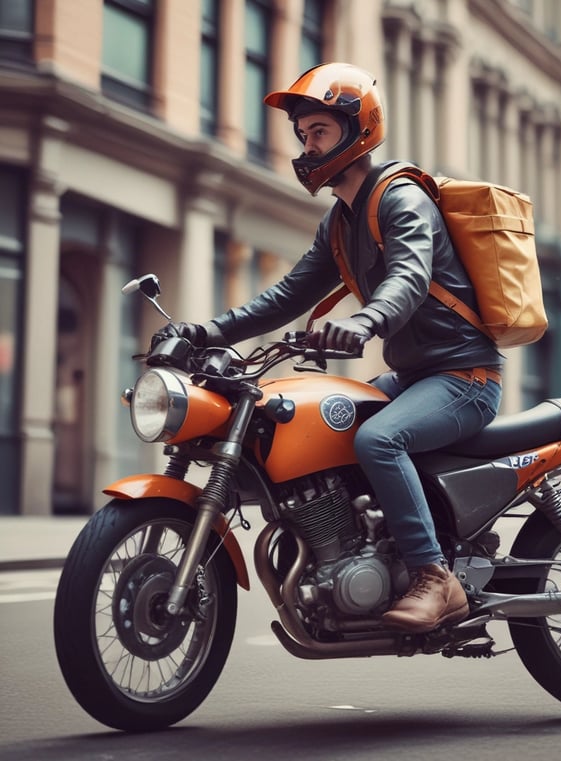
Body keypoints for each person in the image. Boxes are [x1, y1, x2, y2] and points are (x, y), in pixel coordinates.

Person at [153, 62, 504, 633]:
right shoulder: (340, 223)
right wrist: (204, 332)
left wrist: (366, 321)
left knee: (379, 439)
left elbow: (409, 278)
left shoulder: (402, 198)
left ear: (358, 131)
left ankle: (434, 577)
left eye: (319, 131)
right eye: (303, 134)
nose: (308, 146)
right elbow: (286, 296)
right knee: (326, 424)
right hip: (415, 378)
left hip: (465, 378)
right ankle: (370, 551)